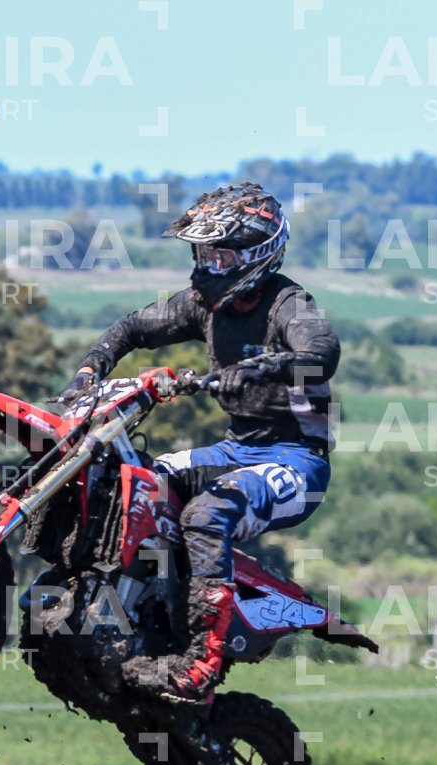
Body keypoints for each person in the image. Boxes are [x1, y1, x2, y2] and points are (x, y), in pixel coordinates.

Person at [61, 181, 340, 703]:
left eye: (220, 255)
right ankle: (136, 618)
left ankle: (203, 659)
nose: (207, 266)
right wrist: (89, 370)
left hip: (297, 463)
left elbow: (322, 352)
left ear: (254, 255)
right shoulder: (204, 306)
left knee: (206, 515)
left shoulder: (288, 304)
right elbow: (133, 328)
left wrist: (259, 367)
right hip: (234, 450)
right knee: (138, 485)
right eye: (203, 254)